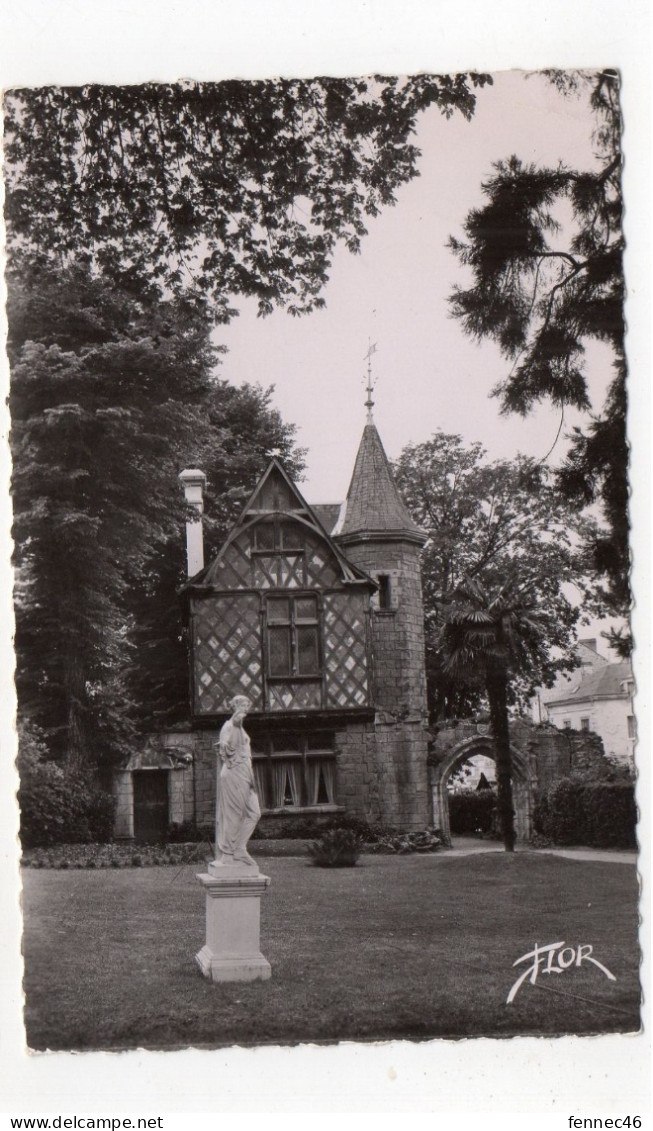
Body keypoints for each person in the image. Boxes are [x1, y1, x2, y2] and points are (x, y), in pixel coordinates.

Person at [214, 695, 260, 866]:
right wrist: (238, 716)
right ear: (236, 706)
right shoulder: (231, 724)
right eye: (243, 704)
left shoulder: (239, 728)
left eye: (247, 704)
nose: (247, 706)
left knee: (254, 813)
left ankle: (239, 848)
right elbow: (234, 724)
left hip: (245, 773)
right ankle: (227, 853)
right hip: (234, 773)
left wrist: (252, 779)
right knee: (233, 814)